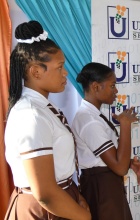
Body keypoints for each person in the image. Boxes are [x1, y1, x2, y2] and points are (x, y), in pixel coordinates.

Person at [4, 21, 91, 219]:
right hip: (44, 209)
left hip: (59, 200)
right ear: (35, 71)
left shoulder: (42, 108)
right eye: (59, 67)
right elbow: (45, 194)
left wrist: (74, 194)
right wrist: (84, 216)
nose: (65, 72)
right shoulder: (31, 115)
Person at [71, 62, 140, 220]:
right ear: (96, 87)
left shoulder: (93, 115)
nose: (116, 91)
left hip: (106, 185)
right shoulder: (89, 121)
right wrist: (125, 125)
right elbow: (119, 168)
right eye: (112, 86)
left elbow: (108, 160)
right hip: (102, 190)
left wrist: (129, 162)